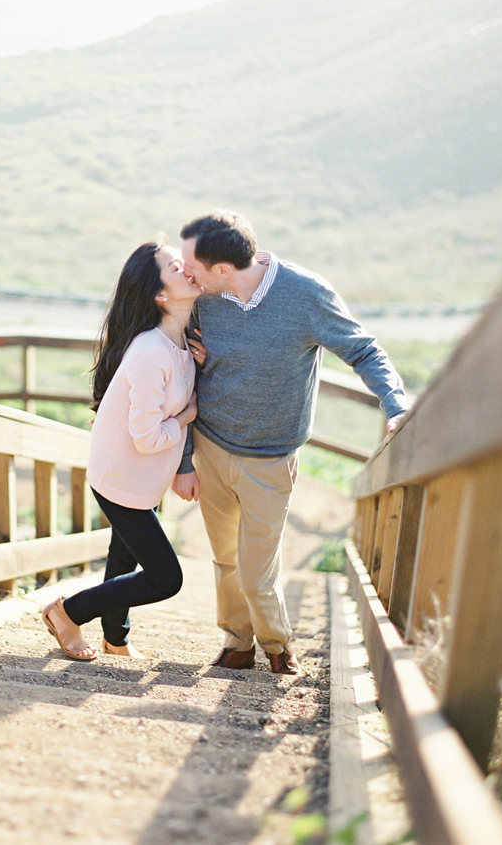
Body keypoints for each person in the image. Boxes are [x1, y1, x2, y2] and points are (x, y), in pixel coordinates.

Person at [171, 210, 410, 675]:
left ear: (222, 269)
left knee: (256, 569)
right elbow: (184, 375)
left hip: (271, 457)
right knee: (225, 558)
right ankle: (237, 643)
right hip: (211, 446)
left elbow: (363, 348)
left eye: (192, 265)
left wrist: (395, 403)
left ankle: (278, 646)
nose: (186, 273)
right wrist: (184, 459)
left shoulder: (304, 294)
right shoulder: (203, 298)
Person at [42, 239, 201, 661]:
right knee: (166, 577)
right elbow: (147, 436)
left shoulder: (181, 346)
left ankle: (117, 640)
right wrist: (187, 416)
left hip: (140, 480)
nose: (187, 267)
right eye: (174, 266)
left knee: (123, 555)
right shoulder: (151, 351)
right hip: (120, 479)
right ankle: (67, 611)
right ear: (160, 295)